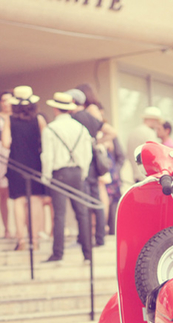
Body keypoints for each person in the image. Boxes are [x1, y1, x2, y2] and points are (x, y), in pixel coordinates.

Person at [40, 92, 93, 262]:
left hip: (59, 174)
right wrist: (82, 172)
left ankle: (58, 253)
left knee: (59, 214)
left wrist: (46, 177)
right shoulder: (81, 128)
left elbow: (47, 156)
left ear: (55, 108)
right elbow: (87, 154)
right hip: (77, 172)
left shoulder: (50, 129)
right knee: (82, 213)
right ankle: (88, 254)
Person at [66, 88, 115, 247]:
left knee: (84, 203)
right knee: (97, 201)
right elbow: (111, 132)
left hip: (82, 164)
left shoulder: (73, 119)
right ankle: (100, 239)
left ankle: (84, 239)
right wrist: (95, 143)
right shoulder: (89, 116)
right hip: (94, 163)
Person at [1, 86, 47, 251]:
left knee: (19, 201)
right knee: (34, 201)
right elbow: (46, 142)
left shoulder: (10, 120)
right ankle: (34, 241)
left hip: (16, 164)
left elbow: (5, 143)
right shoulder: (39, 120)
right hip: (35, 164)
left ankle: (21, 240)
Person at [0, 90, 14, 239]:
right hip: (1, 156)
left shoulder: (18, 118)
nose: (6, 103)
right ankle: (7, 228)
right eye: (3, 100)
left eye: (9, 100)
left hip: (14, 156)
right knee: (3, 194)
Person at [126, 107, 162, 184]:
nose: (158, 125)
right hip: (146, 179)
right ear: (153, 120)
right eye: (158, 121)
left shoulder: (133, 132)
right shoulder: (149, 132)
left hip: (136, 177)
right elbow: (155, 155)